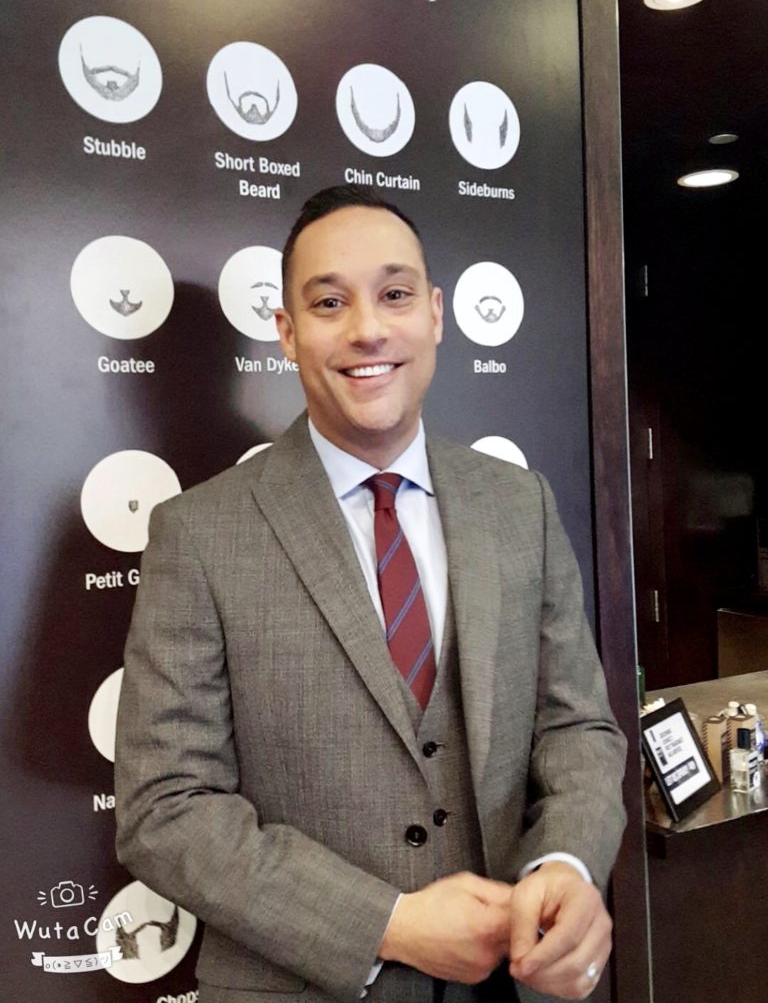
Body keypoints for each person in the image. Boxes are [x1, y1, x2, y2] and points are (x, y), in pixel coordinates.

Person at [115, 185, 627, 1003]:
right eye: (328, 301)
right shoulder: (199, 534)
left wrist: (566, 860)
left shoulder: (518, 502)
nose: (367, 328)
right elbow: (166, 807)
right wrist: (389, 922)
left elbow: (578, 727)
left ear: (434, 314)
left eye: (393, 295)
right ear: (286, 332)